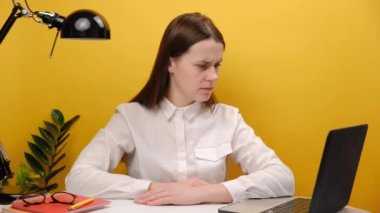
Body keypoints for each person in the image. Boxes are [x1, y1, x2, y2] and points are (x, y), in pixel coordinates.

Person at [65, 12, 294, 205]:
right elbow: (78, 178)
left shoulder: (228, 118)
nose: (213, 76)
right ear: (170, 63)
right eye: (202, 66)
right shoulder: (130, 117)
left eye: (217, 65)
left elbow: (283, 178)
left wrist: (203, 193)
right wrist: (156, 188)